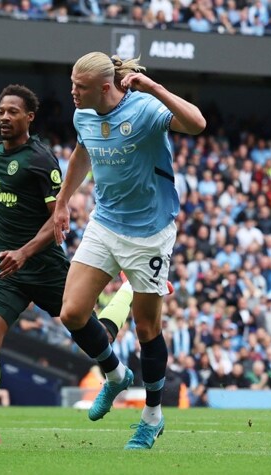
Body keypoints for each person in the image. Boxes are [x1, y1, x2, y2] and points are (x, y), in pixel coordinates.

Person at [0, 85, 136, 444]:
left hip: (44, 266)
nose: (4, 117)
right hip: (7, 268)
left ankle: (126, 296)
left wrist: (24, 253)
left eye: (12, 112)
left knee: (96, 334)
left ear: (29, 117)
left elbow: (57, 222)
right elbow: (6, 173)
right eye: (1, 111)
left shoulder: (41, 159)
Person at [53, 52, 205, 449]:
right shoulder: (83, 115)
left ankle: (152, 416)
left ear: (105, 87)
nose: (73, 93)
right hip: (105, 223)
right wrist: (63, 201)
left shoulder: (144, 109)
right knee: (72, 312)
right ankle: (116, 374)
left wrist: (154, 87)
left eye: (80, 87)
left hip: (149, 233)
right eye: (72, 84)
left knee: (147, 328)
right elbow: (82, 153)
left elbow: (197, 123)